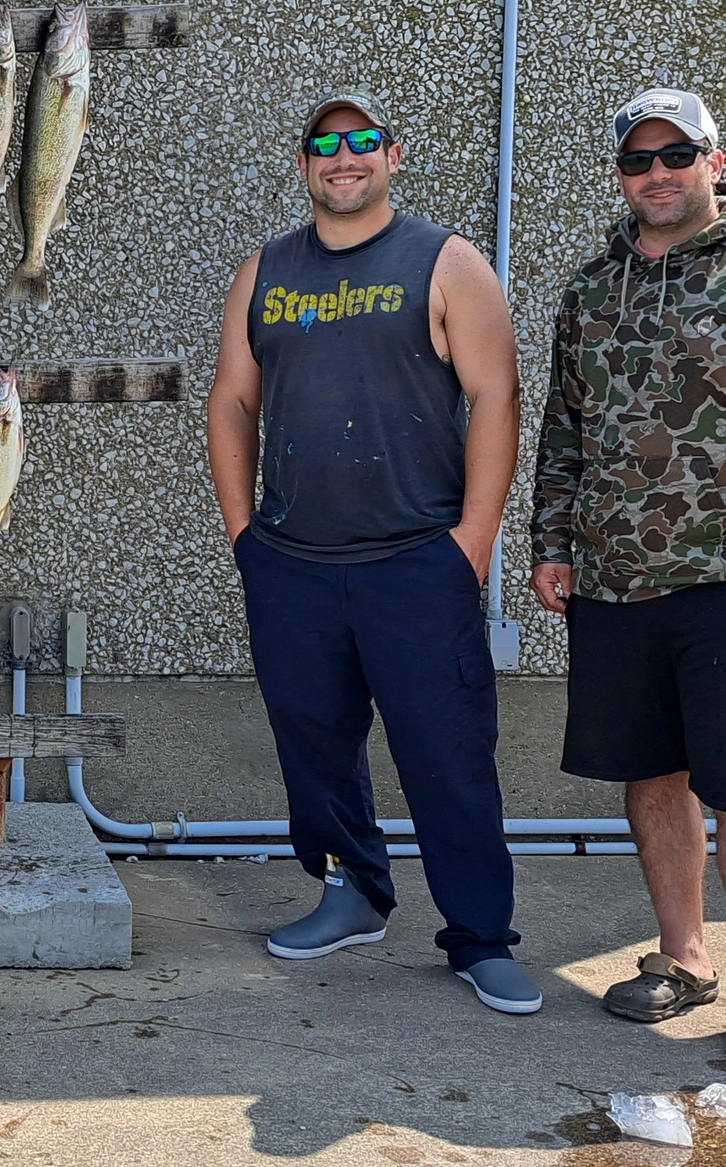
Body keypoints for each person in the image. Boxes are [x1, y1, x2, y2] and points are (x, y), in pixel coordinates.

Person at [531, 88, 726, 1064]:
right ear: (619, 175)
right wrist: (552, 543)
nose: (657, 173)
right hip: (616, 582)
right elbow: (564, 431)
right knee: (652, 777)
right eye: (637, 159)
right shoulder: (592, 290)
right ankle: (682, 957)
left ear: (713, 161)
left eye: (676, 154)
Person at [205, 93, 538, 1013]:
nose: (342, 156)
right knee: (313, 745)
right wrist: (243, 535)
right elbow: (231, 398)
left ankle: (479, 937)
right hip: (292, 563)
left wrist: (472, 542)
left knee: (446, 755)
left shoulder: (444, 261)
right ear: (303, 163)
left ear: (392, 155)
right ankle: (351, 890)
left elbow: (497, 395)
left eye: (361, 141)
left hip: (416, 561)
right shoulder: (265, 270)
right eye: (325, 143)